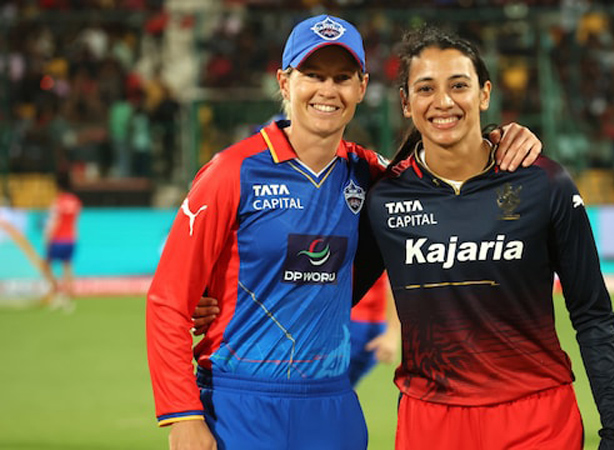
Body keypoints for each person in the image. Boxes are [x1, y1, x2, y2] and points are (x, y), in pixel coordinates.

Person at [147, 15, 542, 450]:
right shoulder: (232, 172)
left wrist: (498, 136)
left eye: (341, 77)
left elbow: (444, 173)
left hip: (333, 407)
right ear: (284, 82)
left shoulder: (371, 177)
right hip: (239, 403)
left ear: (361, 86)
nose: (327, 90)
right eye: (312, 75)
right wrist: (182, 415)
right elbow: (168, 300)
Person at [361, 26, 614, 449]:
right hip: (430, 422)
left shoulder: (544, 183)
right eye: (426, 88)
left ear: (484, 94)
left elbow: (592, 313)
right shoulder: (383, 198)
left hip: (537, 419)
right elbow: (327, 291)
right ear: (406, 103)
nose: (444, 101)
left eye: (459, 85)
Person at [348, 272, 400, 387]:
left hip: (361, 325)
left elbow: (396, 279)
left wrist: (392, 332)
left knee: (331, 390)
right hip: (336, 320)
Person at [41, 171, 82, 311]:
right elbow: (76, 222)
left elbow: (54, 223)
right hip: (71, 239)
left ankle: (55, 290)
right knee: (68, 267)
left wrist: (47, 239)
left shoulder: (57, 202)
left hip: (58, 239)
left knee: (45, 265)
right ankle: (68, 299)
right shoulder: (75, 201)